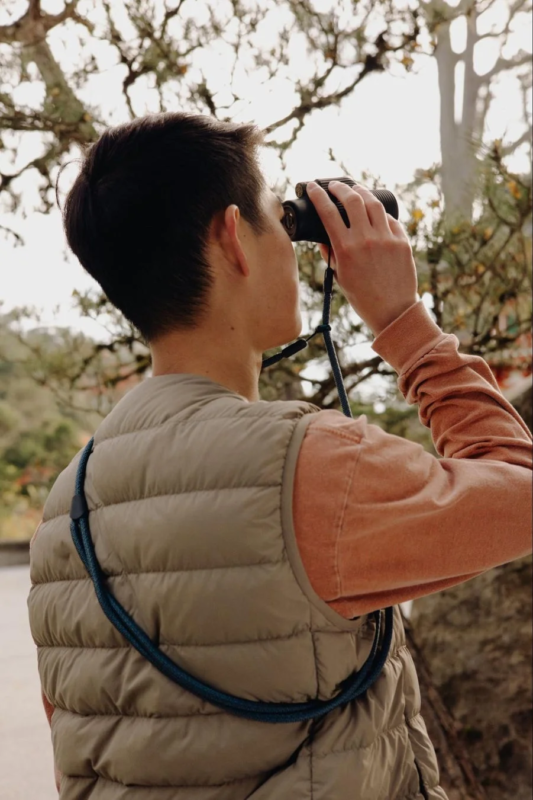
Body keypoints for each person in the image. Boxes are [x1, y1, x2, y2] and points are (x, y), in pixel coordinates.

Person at [27, 112, 532, 800]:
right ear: (233, 238)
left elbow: (78, 746)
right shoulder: (311, 465)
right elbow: (519, 494)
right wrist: (401, 323)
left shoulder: (64, 508)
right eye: (280, 221)